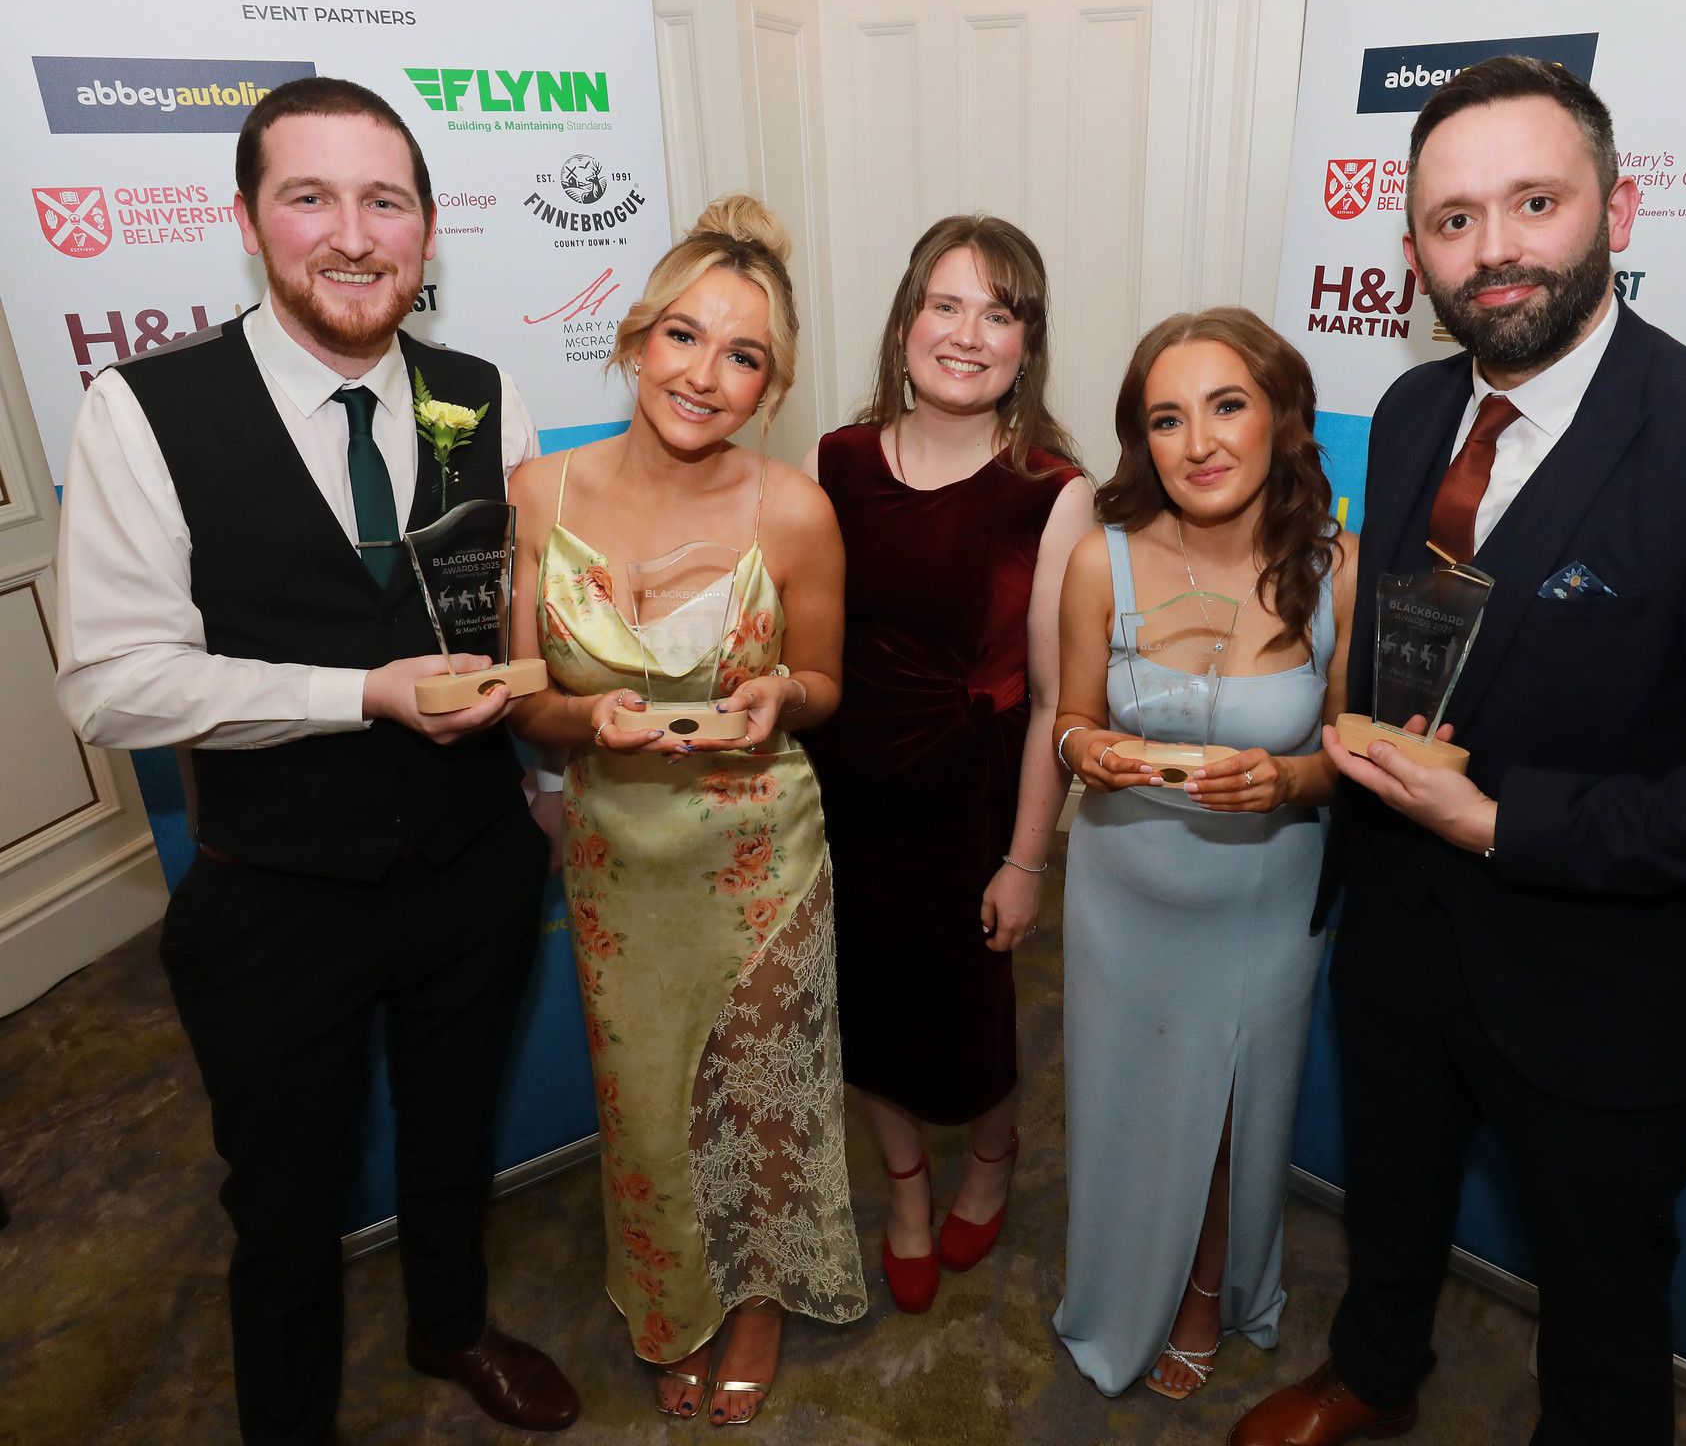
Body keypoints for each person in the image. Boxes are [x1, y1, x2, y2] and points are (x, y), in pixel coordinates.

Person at [1229, 56, 1686, 1446]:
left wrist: (1504, 822)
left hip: (1606, 982)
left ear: (1617, 210)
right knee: (1394, 1197)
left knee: (1603, 1300)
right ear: (1415, 247)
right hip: (1400, 935)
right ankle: (1374, 1375)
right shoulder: (1414, 412)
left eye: (1535, 201)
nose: (1496, 248)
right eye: (1454, 218)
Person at [52, 77, 577, 1443]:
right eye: (311, 197)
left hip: (471, 863)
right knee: (284, 1199)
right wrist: (362, 694)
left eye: (384, 201)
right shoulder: (144, 411)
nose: (353, 235)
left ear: (426, 229)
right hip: (275, 896)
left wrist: (551, 779)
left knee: (453, 1129)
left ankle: (452, 1327)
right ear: (247, 221)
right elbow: (109, 680)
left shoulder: (484, 392)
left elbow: (517, 621)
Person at [505, 194, 864, 1426]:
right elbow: (526, 697)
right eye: (683, 337)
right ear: (633, 339)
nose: (705, 375)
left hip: (761, 852)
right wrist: (581, 721)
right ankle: (673, 1303)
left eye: (743, 355)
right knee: (646, 1106)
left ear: (771, 387)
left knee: (764, 1095)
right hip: (616, 860)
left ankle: (758, 1297)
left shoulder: (793, 511)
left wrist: (780, 692)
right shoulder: (537, 493)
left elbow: (823, 687)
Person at [1051, 308, 1355, 1398]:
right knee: (1120, 1097)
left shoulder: (1334, 568)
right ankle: (1117, 1274)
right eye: (1165, 418)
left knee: (1235, 1104)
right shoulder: (1102, 561)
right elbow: (1068, 721)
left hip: (1260, 898)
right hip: (1122, 894)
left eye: (1226, 405)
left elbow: (1346, 756)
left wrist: (1286, 778)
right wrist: (1093, 751)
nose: (1199, 441)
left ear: (1280, 414)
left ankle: (1204, 1290)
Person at [799, 214, 1091, 1313]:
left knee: (973, 1022)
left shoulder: (1051, 491)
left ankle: (991, 1155)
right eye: (947, 303)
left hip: (972, 805)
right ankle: (909, 1191)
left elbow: (1057, 698)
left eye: (999, 312)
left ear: (1027, 342)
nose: (968, 333)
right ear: (906, 321)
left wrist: (1027, 863)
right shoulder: (834, 460)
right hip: (843, 796)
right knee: (863, 1012)